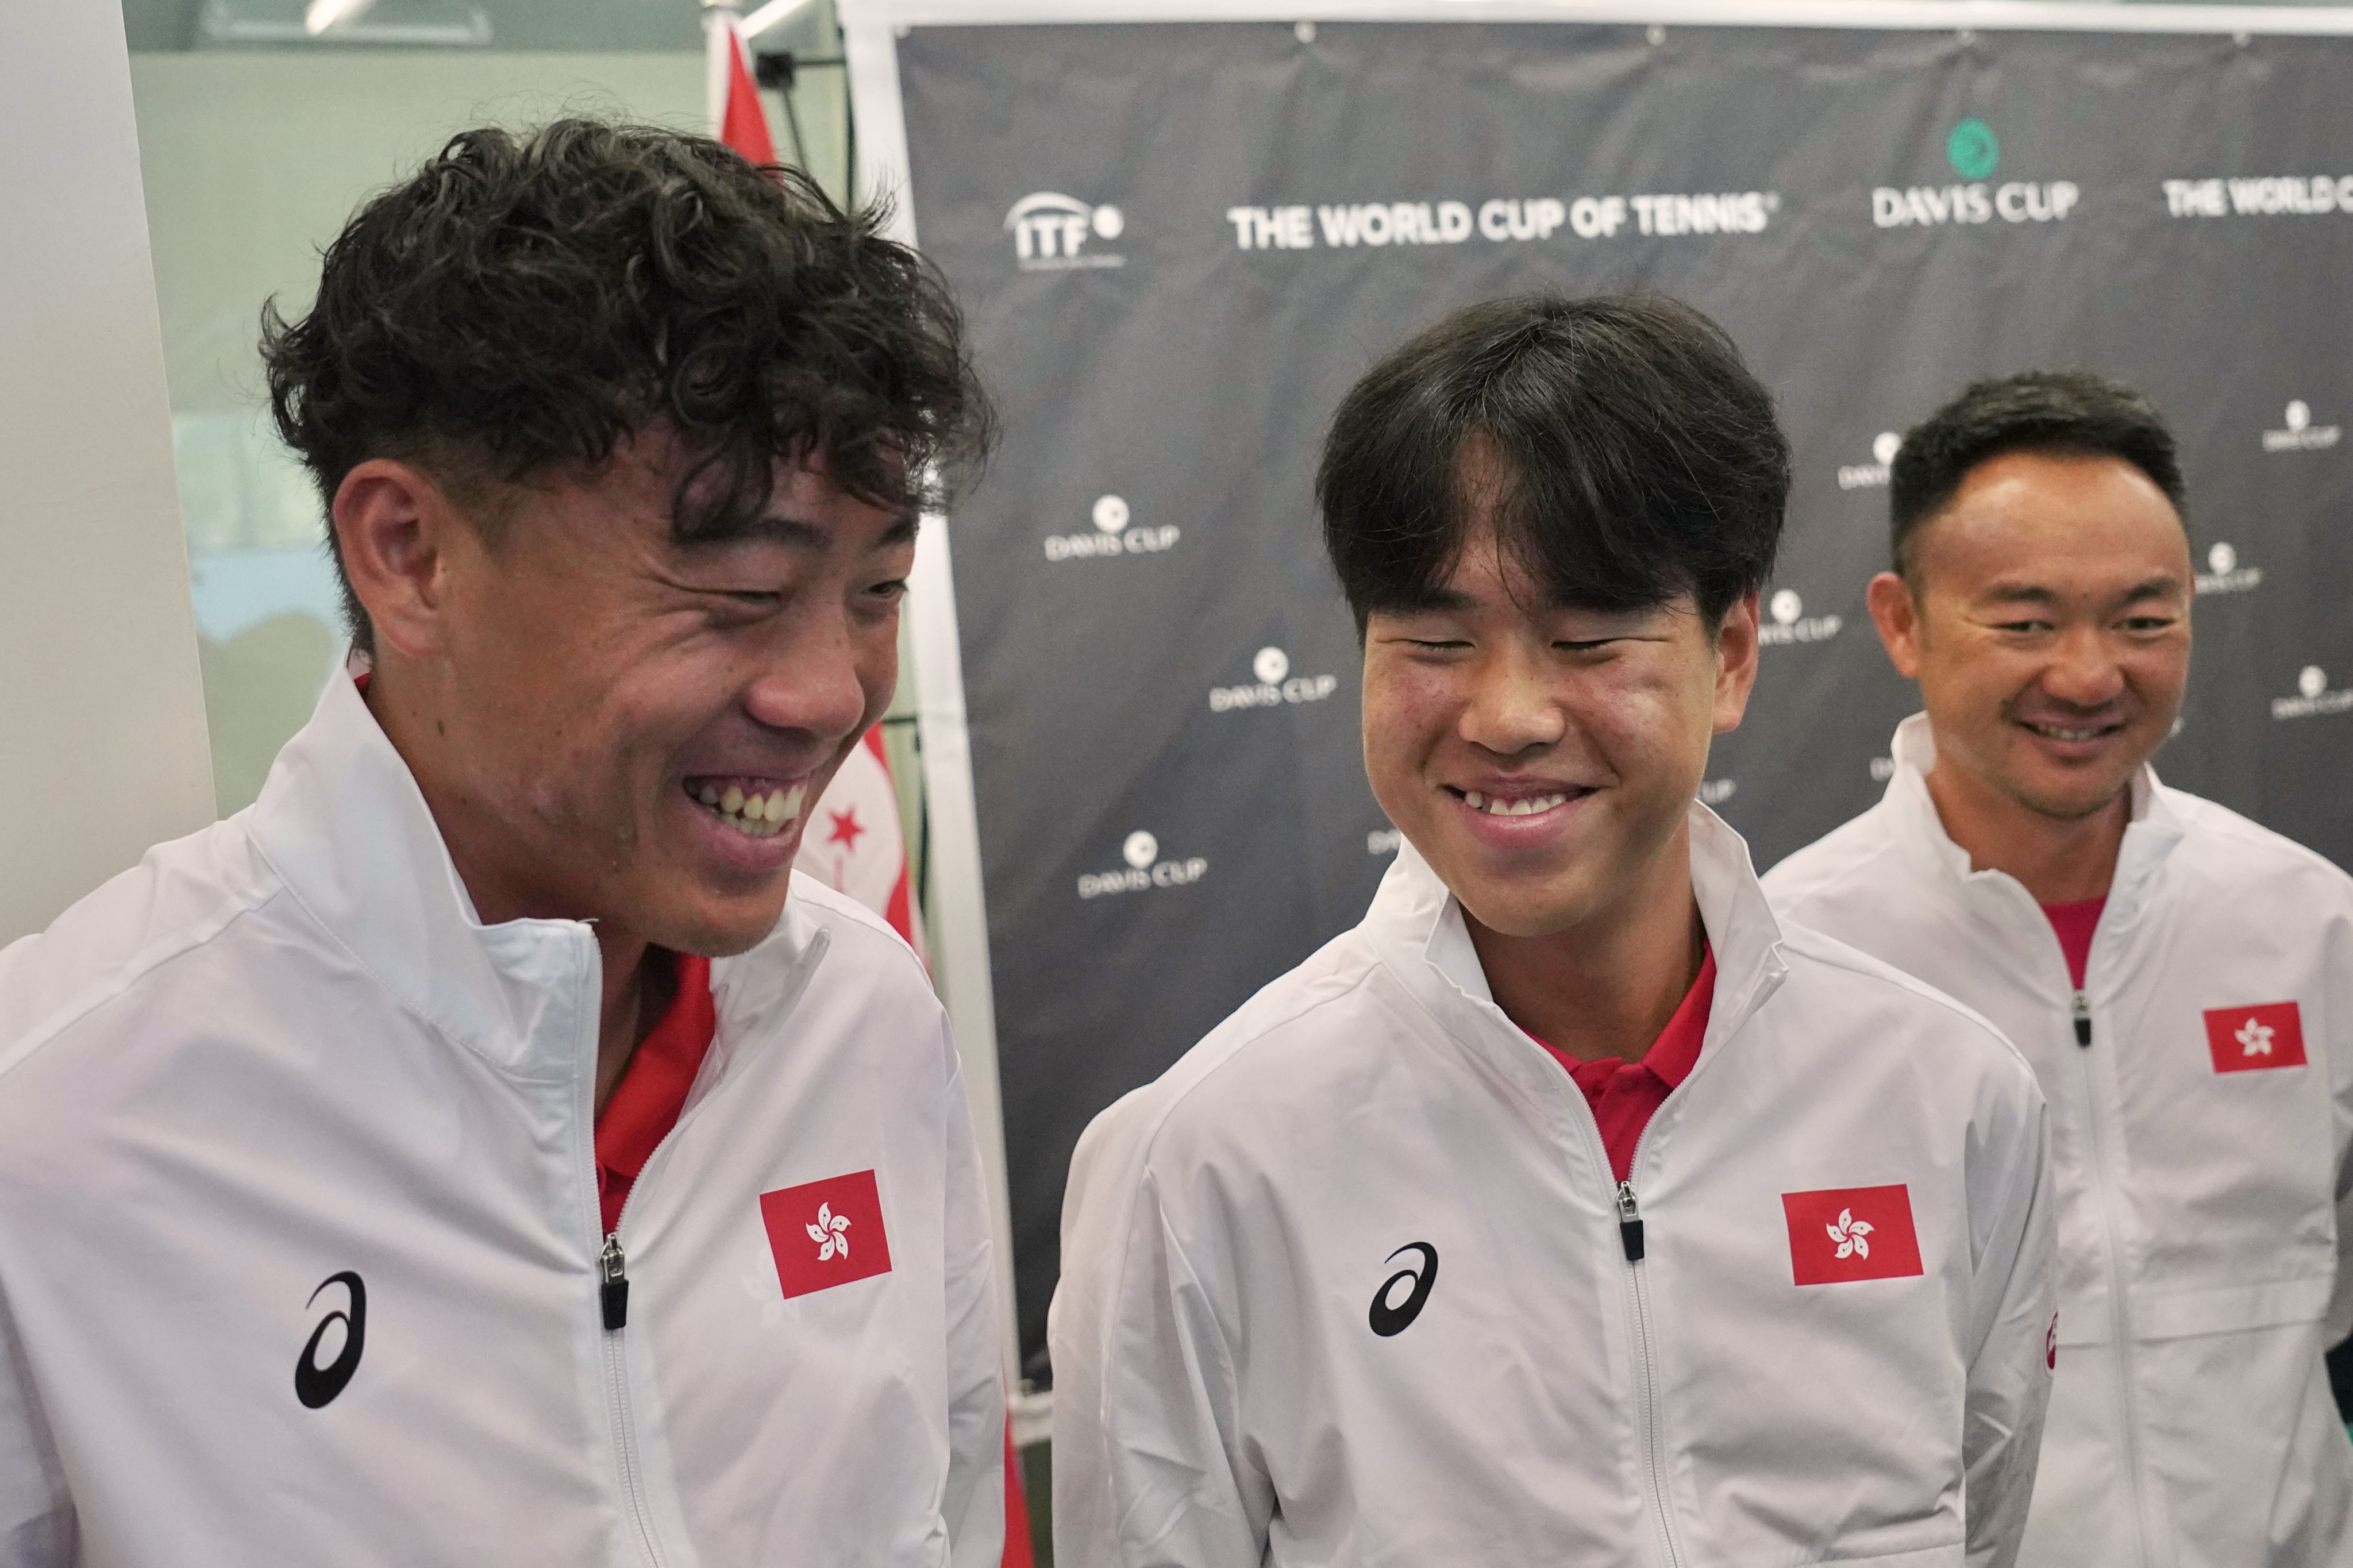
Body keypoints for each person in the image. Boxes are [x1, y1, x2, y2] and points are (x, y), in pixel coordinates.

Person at [0, 121, 1004, 1564]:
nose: (828, 693)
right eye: (735, 594)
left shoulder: (863, 1020)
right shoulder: (62, 1126)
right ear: (409, 554)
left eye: (874, 592)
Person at [1051, 293, 2057, 1567]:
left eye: (1586, 638)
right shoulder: (1198, 1160)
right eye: (1433, 640)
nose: (1508, 714)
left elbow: (1983, 1514)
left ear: (1732, 653)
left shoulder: (1950, 1098)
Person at [1765, 370, 2353, 1566]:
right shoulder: (1785, 965)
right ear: (1899, 622)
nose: (2087, 676)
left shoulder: (2306, 924)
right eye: (2024, 622)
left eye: (2142, 619)